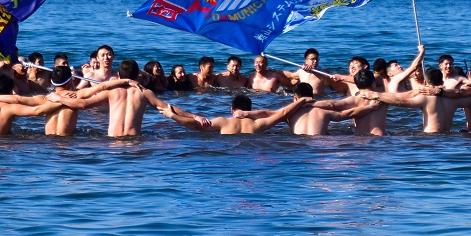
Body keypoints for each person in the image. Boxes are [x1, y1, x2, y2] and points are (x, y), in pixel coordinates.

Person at [365, 66, 471, 133]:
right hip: (447, 138)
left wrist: (376, 95)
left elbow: (401, 102)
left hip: (430, 138)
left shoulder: (426, 98)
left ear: (425, 82)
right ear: (442, 82)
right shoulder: (453, 99)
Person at [148, 91, 313, 135]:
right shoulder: (258, 124)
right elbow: (283, 112)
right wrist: (302, 100)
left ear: (232, 109)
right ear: (250, 109)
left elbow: (197, 126)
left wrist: (173, 116)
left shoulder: (223, 122)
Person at [281, 83, 381, 135]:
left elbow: (269, 116)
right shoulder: (323, 112)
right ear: (312, 97)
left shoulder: (288, 114)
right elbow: (349, 113)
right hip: (320, 142)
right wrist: (371, 107)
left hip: (296, 144)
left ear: (295, 98)